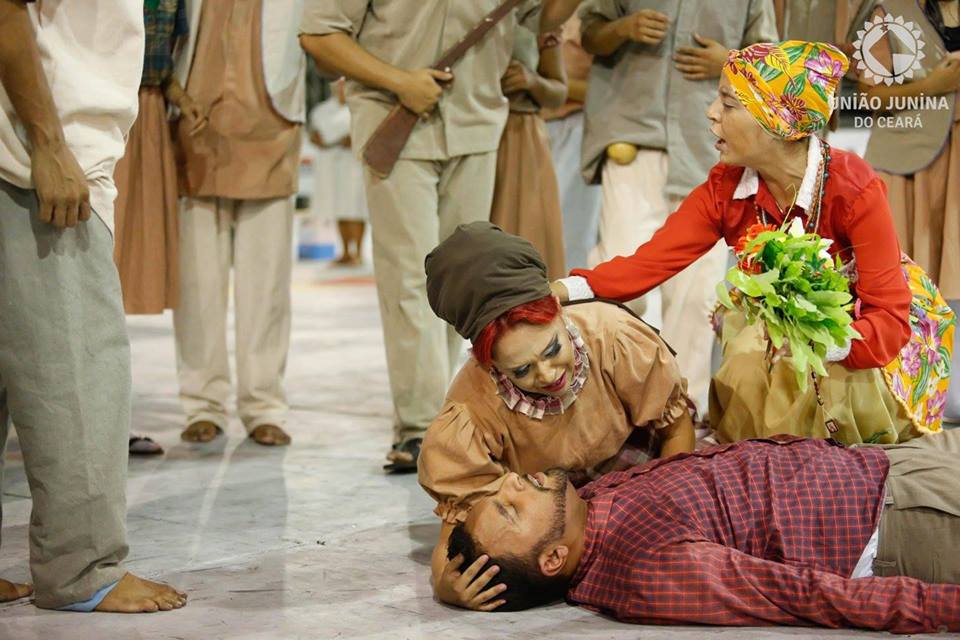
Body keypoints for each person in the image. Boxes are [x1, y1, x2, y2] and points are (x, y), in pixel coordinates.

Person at [555, 40, 955, 446]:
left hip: (861, 338)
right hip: (777, 334)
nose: (712, 113)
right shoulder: (727, 188)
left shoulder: (852, 188)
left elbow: (888, 317)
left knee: (819, 394)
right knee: (748, 358)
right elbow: (649, 264)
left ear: (777, 122)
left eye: (729, 105)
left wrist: (820, 344)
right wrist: (564, 290)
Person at [299, 0, 587, 470]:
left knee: (465, 287)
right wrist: (399, 81)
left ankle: (451, 414)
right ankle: (419, 426)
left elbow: (542, 17)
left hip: (477, 124)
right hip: (395, 121)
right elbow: (320, 35)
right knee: (409, 277)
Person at [0, 0, 186, 612]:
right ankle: (81, 569)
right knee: (78, 375)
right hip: (36, 161)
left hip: (27, 151)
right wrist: (50, 145)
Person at [418, 221, 695, 610]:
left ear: (559, 314)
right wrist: (444, 583)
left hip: (645, 472)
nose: (548, 375)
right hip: (547, 515)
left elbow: (676, 428)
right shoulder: (473, 406)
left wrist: (669, 510)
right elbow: (461, 514)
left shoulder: (612, 336)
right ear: (491, 364)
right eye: (521, 370)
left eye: (552, 349)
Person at [447, 431, 960, 633]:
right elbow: (799, 595)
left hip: (888, 463)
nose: (512, 482)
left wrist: (447, 583)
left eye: (499, 492)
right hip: (901, 518)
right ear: (553, 560)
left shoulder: (585, 506)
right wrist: (943, 608)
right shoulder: (644, 570)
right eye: (510, 510)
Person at [576, 0, 779, 411]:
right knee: (615, 276)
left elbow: (772, 66)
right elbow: (589, 33)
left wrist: (729, 63)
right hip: (633, 143)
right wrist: (623, 29)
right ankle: (608, 407)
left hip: (708, 148)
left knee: (696, 293)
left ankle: (684, 411)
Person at [172, 0, 306, 447]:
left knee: (266, 287)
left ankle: (263, 405)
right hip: (195, 126)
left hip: (272, 126)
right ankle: (202, 404)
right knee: (197, 283)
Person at [851, 0, 960, 419]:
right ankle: (906, 399)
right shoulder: (890, 11)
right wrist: (932, 86)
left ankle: (951, 396)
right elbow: (870, 99)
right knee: (904, 282)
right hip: (907, 164)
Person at [115, 0, 193, 458]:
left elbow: (159, 57)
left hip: (145, 111)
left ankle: (106, 417)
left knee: (116, 273)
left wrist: (178, 95)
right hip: (93, 105)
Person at [490, 26, 568, 280]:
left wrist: (532, 81)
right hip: (469, 126)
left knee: (526, 233)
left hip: (520, 135)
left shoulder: (539, 17)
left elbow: (559, 91)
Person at [541, 15, 603, 272]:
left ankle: (567, 291)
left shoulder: (594, 14)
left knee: (572, 229)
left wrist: (543, 86)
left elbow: (608, 88)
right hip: (528, 124)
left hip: (579, 126)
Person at [308, 79, 369, 266]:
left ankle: (358, 252)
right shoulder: (322, 110)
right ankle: (345, 252)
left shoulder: (362, 108)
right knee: (339, 209)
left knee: (356, 209)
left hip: (353, 166)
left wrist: (353, 140)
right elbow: (315, 135)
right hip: (331, 166)